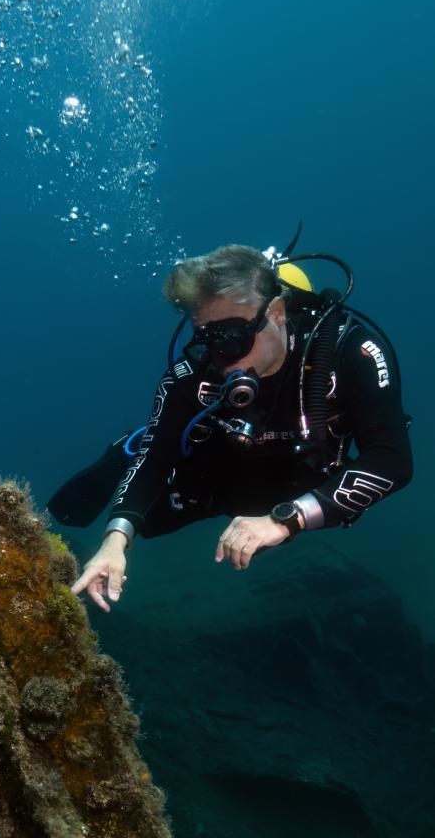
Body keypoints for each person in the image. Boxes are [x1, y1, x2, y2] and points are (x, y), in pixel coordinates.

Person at [60, 244, 413, 612]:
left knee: (280, 522)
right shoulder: (192, 375)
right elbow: (156, 459)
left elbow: (392, 460)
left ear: (275, 313)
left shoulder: (350, 352)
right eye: (206, 340)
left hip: (296, 488)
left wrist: (287, 519)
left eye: (231, 338)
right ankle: (136, 440)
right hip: (217, 477)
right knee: (148, 520)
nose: (222, 360)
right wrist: (113, 541)